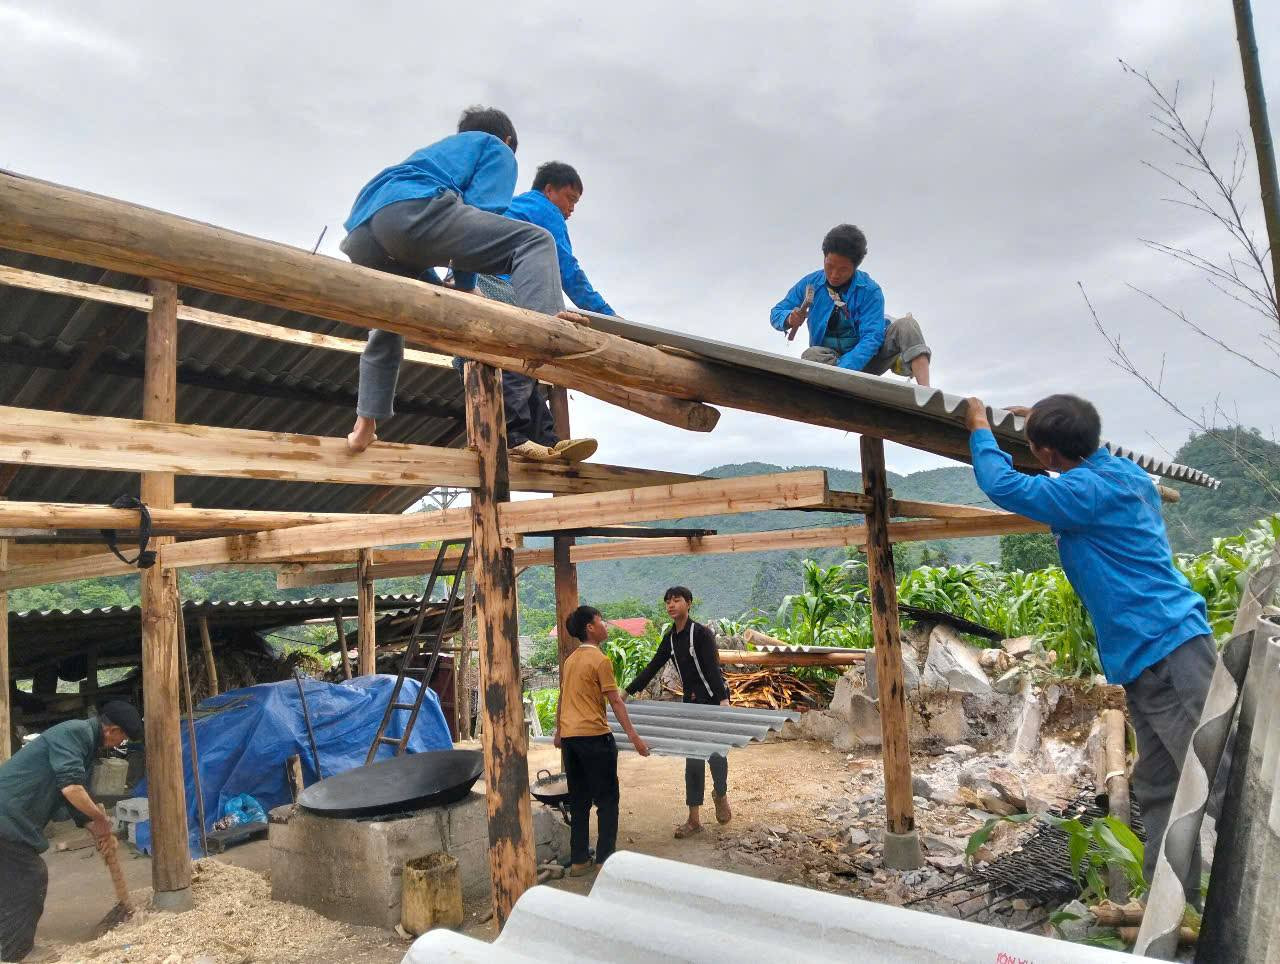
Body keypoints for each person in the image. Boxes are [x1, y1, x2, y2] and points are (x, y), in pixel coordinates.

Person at [964, 393, 1214, 904]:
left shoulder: (1085, 491)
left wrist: (978, 426)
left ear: (1048, 455)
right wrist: (1043, 416)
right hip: (1151, 657)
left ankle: (1254, 909)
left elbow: (1001, 484)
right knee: (1162, 784)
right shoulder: (1124, 473)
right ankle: (1175, 908)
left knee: (1222, 780)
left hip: (1170, 650)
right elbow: (1067, 442)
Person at [339, 105, 596, 462]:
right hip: (416, 214)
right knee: (536, 241)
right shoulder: (495, 147)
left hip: (366, 230)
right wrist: (465, 285)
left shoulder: (431, 155)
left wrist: (453, 288)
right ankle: (549, 322)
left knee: (389, 324)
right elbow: (482, 210)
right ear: (507, 140)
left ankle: (364, 424)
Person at [0, 702, 143, 962]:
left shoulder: (85, 745)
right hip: (6, 816)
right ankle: (14, 953)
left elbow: (75, 804)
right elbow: (71, 789)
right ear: (112, 730)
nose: (121, 742)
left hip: (11, 817)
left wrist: (97, 832)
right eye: (122, 736)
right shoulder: (73, 734)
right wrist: (101, 819)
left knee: (12, 880)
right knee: (30, 876)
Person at [625, 587, 733, 839]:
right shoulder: (671, 638)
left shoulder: (701, 634)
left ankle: (720, 793)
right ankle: (694, 819)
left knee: (717, 754)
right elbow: (653, 665)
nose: (671, 605)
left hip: (712, 701)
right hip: (690, 705)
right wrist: (627, 692)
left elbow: (713, 669)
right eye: (667, 602)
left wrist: (723, 701)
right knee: (692, 759)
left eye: (676, 600)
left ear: (689, 603)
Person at [770, 224, 931, 386]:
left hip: (867, 361)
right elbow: (777, 312)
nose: (834, 275)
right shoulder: (810, 284)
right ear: (824, 257)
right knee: (811, 355)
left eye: (843, 270)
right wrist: (788, 319)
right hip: (829, 362)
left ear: (855, 267)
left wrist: (844, 369)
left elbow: (872, 337)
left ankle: (925, 392)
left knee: (907, 325)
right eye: (830, 266)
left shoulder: (870, 291)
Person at [554, 605, 649, 876]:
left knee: (580, 800)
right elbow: (616, 701)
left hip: (572, 741)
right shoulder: (600, 661)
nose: (605, 625)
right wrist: (635, 737)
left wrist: (559, 731)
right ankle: (605, 860)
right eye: (600, 621)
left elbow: (564, 697)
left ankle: (579, 860)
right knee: (607, 800)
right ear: (590, 628)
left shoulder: (571, 660)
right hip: (595, 739)